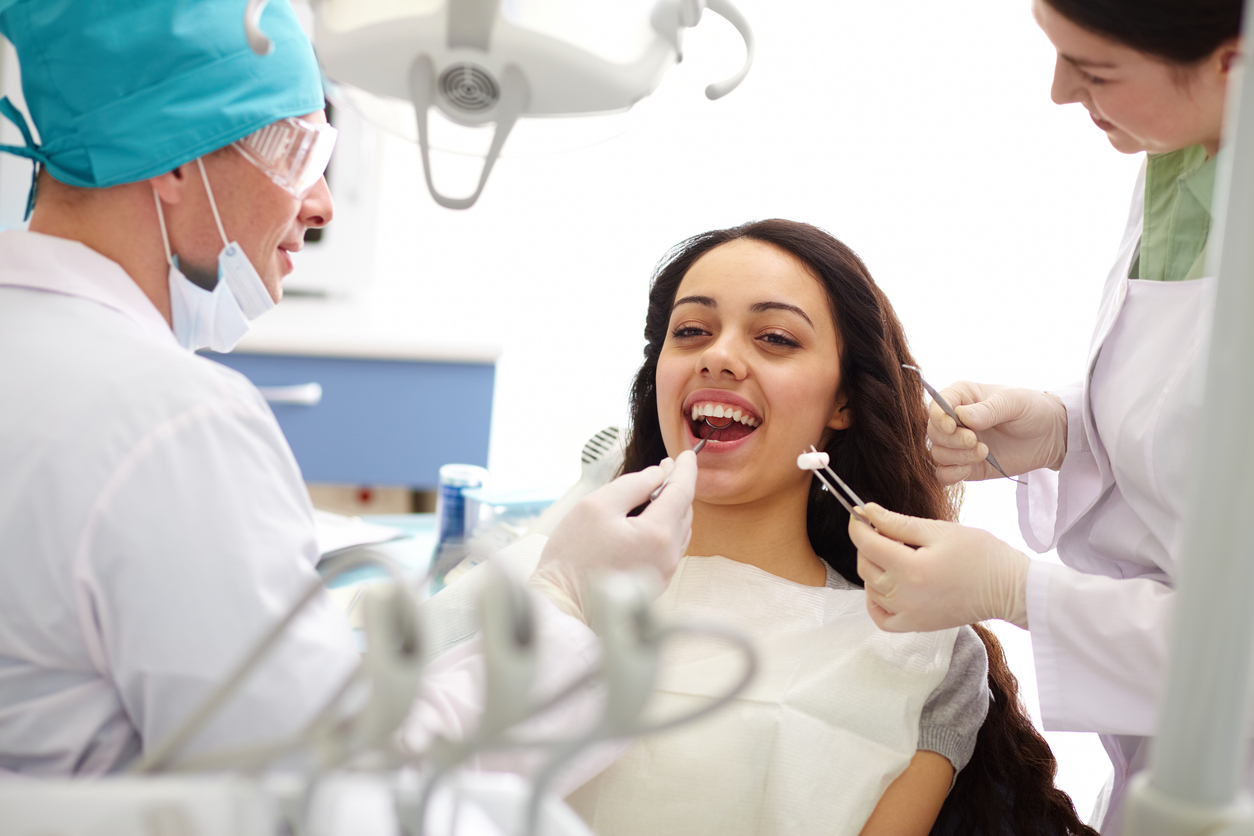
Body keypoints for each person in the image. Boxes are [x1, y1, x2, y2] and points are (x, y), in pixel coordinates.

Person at [0, 0, 696, 775]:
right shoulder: (169, 423)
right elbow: (331, 791)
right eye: (295, 150)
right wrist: (566, 603)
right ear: (170, 158)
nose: (322, 201)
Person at [557, 219, 1095, 836]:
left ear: (843, 404)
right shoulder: (557, 584)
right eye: (692, 331)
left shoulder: (917, 655)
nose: (719, 356)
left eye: (776, 338)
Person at [846, 2, 1244, 833]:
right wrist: (1066, 429)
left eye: (1094, 70)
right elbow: (1201, 420)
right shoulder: (1189, 164)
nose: (1060, 91)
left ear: (1231, 64)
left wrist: (1016, 590)